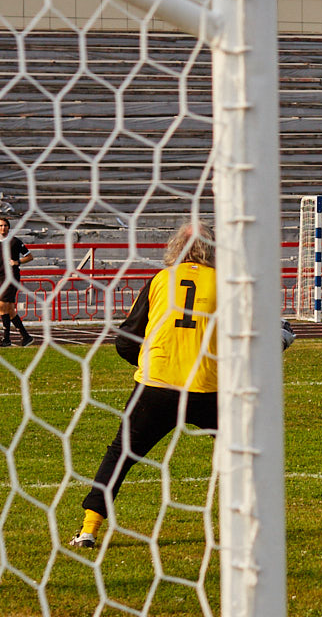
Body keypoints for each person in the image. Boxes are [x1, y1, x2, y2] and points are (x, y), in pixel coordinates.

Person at [70, 223, 295, 550]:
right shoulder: (228, 283)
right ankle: (257, 528)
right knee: (247, 454)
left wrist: (152, 362)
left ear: (176, 247)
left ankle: (88, 530)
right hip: (208, 387)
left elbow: (124, 342)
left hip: (157, 386)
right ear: (214, 249)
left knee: (120, 455)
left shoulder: (160, 279)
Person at [0, 216, 33, 347]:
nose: (3, 228)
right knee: (9, 309)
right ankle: (26, 336)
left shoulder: (14, 241)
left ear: (9, 227)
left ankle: (6, 339)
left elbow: (29, 256)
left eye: (5, 225)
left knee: (2, 306)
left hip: (11, 277)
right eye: (0, 225)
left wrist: (17, 262)